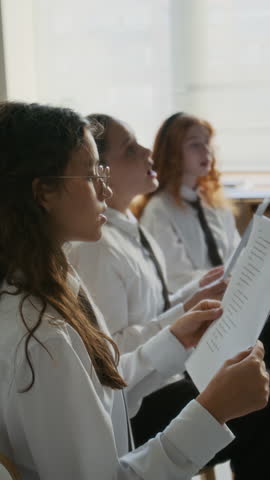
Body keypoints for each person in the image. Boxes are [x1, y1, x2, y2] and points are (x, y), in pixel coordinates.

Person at [0, 102, 268, 480]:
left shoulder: (53, 280)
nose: (105, 189)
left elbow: (104, 386)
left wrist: (174, 337)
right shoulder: (44, 340)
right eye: (93, 174)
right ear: (44, 193)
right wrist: (211, 412)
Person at [139, 112, 240, 294]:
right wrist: (223, 282)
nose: (206, 151)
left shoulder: (215, 203)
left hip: (232, 294)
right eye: (195, 145)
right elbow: (176, 278)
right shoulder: (159, 210)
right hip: (195, 303)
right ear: (172, 153)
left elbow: (237, 254)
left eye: (207, 143)